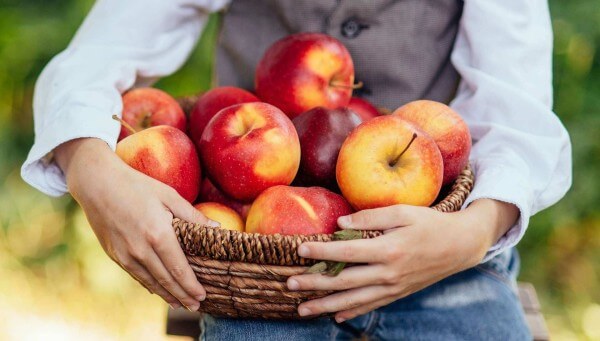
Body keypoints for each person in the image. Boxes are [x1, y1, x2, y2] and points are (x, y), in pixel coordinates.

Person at [22, 0, 572, 340]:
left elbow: (516, 106)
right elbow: (106, 42)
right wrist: (87, 163)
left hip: (436, 241)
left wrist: (471, 233)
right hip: (254, 261)